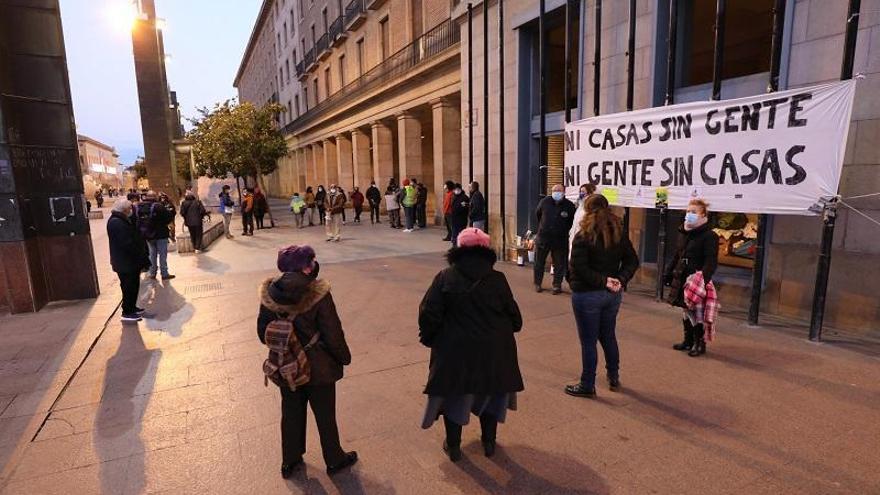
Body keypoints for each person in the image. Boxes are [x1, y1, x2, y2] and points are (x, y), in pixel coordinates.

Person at [418, 228, 523, 462]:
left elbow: (428, 313)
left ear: (459, 249)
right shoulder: (498, 279)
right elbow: (514, 316)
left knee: (455, 396)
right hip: (494, 350)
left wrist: (431, 339)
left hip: (456, 351)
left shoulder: (445, 277)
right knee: (490, 395)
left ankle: (453, 446)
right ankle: (489, 443)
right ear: (485, 250)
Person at [257, 245, 358, 478]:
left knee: (291, 411)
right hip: (319, 367)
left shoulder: (269, 294)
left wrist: (287, 342)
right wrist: (344, 357)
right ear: (304, 267)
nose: (314, 265)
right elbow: (333, 332)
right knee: (325, 414)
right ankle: (334, 459)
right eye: (311, 262)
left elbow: (262, 333)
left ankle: (289, 461)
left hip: (287, 366)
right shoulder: (318, 293)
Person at [565, 195, 640, 398]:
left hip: (587, 294)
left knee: (588, 341)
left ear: (587, 210)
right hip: (611, 295)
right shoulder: (618, 232)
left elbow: (578, 267)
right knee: (608, 335)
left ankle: (587, 384)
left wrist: (604, 281)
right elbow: (632, 261)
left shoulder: (584, 235)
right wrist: (619, 280)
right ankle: (613, 376)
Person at [665, 198, 719, 357]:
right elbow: (677, 254)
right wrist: (668, 273)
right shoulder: (684, 232)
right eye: (688, 211)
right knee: (685, 310)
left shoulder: (710, 236)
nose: (689, 215)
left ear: (703, 215)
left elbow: (711, 261)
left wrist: (703, 279)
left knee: (696, 313)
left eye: (693, 212)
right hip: (682, 276)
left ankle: (699, 343)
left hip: (696, 279)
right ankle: (687, 340)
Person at [107, 199, 149, 322]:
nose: (131, 211)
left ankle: (132, 307)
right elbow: (126, 243)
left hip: (128, 262)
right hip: (125, 262)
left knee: (133, 286)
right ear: (124, 210)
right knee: (128, 287)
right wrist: (138, 252)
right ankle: (127, 312)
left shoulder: (120, 220)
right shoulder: (116, 222)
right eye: (129, 209)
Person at [534, 184, 577, 294]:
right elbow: (538, 215)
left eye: (559, 190)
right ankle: (537, 283)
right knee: (539, 262)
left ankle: (557, 285)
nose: (557, 192)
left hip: (560, 240)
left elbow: (571, 222)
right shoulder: (544, 202)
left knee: (559, 264)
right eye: (554, 190)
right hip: (543, 238)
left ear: (564, 192)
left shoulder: (570, 206)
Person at [134, 191, 176, 281]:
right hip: (161, 234)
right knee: (162, 254)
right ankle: (164, 273)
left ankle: (152, 273)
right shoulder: (158, 206)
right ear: (155, 196)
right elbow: (169, 217)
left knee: (152, 254)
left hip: (148, 235)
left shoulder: (139, 206)